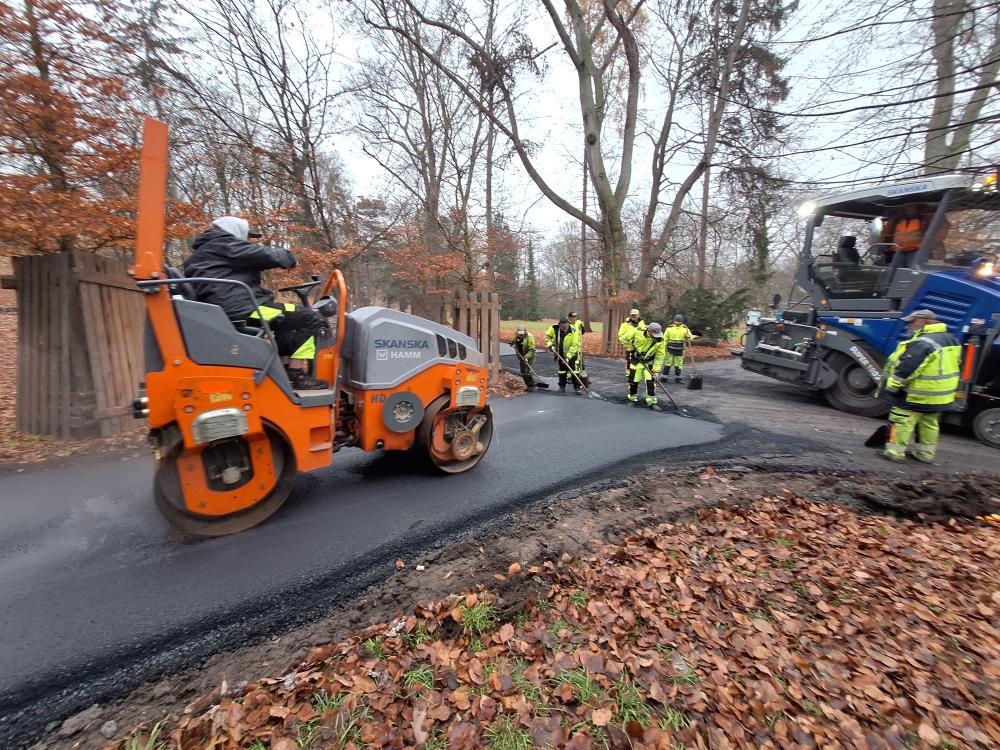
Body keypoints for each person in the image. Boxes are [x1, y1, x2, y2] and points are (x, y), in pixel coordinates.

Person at [184, 216, 329, 389]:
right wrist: (288, 258)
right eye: (245, 236)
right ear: (235, 232)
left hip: (227, 306)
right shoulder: (223, 244)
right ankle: (297, 375)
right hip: (242, 308)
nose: (246, 240)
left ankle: (284, 369)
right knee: (309, 316)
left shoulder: (206, 251)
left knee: (289, 317)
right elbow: (264, 254)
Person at [877, 309, 961, 463]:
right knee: (929, 423)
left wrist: (893, 386)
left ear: (927, 321)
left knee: (901, 421)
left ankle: (894, 453)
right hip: (938, 396)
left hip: (916, 394)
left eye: (912, 322)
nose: (909, 325)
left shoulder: (924, 342)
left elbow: (909, 367)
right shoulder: (951, 339)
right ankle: (925, 455)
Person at [628, 322, 665, 410]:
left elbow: (660, 356)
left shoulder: (660, 339)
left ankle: (651, 402)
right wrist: (631, 348)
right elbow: (624, 338)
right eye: (654, 334)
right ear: (649, 330)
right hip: (636, 360)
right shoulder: (637, 331)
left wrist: (656, 371)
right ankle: (632, 399)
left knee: (651, 382)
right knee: (633, 381)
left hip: (649, 362)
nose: (656, 336)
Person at [545, 317, 582, 393]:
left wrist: (568, 356)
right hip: (560, 353)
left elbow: (574, 345)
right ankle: (562, 386)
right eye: (562, 327)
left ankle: (577, 387)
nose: (564, 329)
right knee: (562, 371)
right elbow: (547, 337)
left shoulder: (573, 330)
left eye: (565, 327)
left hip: (572, 354)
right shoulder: (554, 328)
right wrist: (551, 345)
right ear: (559, 325)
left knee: (574, 371)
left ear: (568, 325)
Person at [617, 308, 647, 381]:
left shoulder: (642, 324)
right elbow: (621, 335)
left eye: (635, 315)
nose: (633, 316)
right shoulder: (625, 324)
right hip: (629, 346)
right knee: (629, 360)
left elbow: (644, 334)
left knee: (638, 360)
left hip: (640, 346)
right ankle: (628, 374)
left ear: (638, 315)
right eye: (632, 315)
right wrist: (628, 343)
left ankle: (636, 374)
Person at [663, 314, 694, 383]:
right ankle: (664, 378)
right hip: (670, 350)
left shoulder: (685, 329)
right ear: (674, 321)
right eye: (676, 321)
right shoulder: (669, 328)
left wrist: (689, 337)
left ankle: (678, 378)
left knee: (678, 365)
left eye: (679, 321)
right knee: (667, 364)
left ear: (681, 321)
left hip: (679, 350)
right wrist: (663, 347)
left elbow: (690, 337)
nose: (677, 322)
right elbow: (665, 338)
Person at [512, 325, 537, 391]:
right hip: (521, 356)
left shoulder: (529, 337)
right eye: (519, 334)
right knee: (523, 371)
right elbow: (514, 340)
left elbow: (532, 349)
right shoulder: (517, 335)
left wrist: (526, 357)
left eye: (522, 334)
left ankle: (531, 385)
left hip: (530, 355)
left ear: (525, 331)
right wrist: (512, 343)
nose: (521, 336)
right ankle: (530, 385)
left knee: (526, 370)